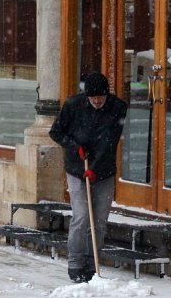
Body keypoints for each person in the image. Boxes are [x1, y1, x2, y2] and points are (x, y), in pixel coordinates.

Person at [49, 72, 127, 283]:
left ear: (107, 95)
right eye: (93, 98)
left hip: (103, 170)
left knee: (99, 220)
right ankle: (75, 263)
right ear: (87, 97)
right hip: (76, 168)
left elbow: (110, 142)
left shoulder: (118, 108)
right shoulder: (73, 105)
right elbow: (55, 132)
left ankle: (92, 263)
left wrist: (94, 167)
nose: (97, 102)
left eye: (101, 98)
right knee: (82, 216)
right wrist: (76, 148)